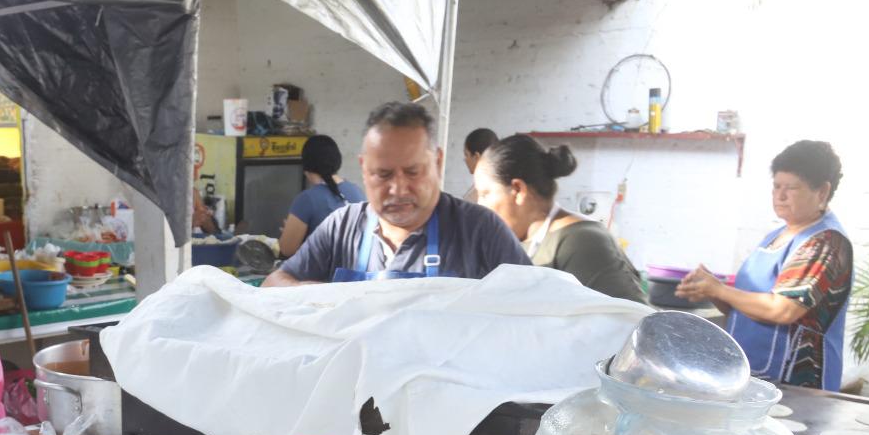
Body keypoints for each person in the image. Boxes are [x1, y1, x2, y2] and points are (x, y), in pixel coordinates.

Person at [265, 102, 528, 286]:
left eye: (413, 172)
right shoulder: (341, 227)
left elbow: (542, 305)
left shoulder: (480, 229)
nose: (398, 189)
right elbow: (274, 284)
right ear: (364, 169)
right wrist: (314, 294)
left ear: (437, 162)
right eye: (383, 174)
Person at [677, 140, 852, 390]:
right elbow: (744, 309)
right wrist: (709, 289)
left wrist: (719, 290)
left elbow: (783, 310)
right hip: (755, 376)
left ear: (822, 192)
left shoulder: (825, 243)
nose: (779, 196)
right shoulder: (777, 236)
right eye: (776, 186)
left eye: (791, 188)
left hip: (797, 384)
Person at [473, 134, 647, 303]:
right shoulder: (515, 243)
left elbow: (632, 320)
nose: (479, 206)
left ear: (518, 190)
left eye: (485, 194)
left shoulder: (581, 241)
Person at [277, 135, 366, 257]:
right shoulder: (357, 192)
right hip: (354, 274)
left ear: (306, 167)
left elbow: (287, 250)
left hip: (320, 275)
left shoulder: (306, 199)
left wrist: (292, 234)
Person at [461, 127, 498, 201]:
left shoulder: (482, 191)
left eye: (466, 154)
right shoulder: (501, 183)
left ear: (477, 157)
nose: (465, 160)